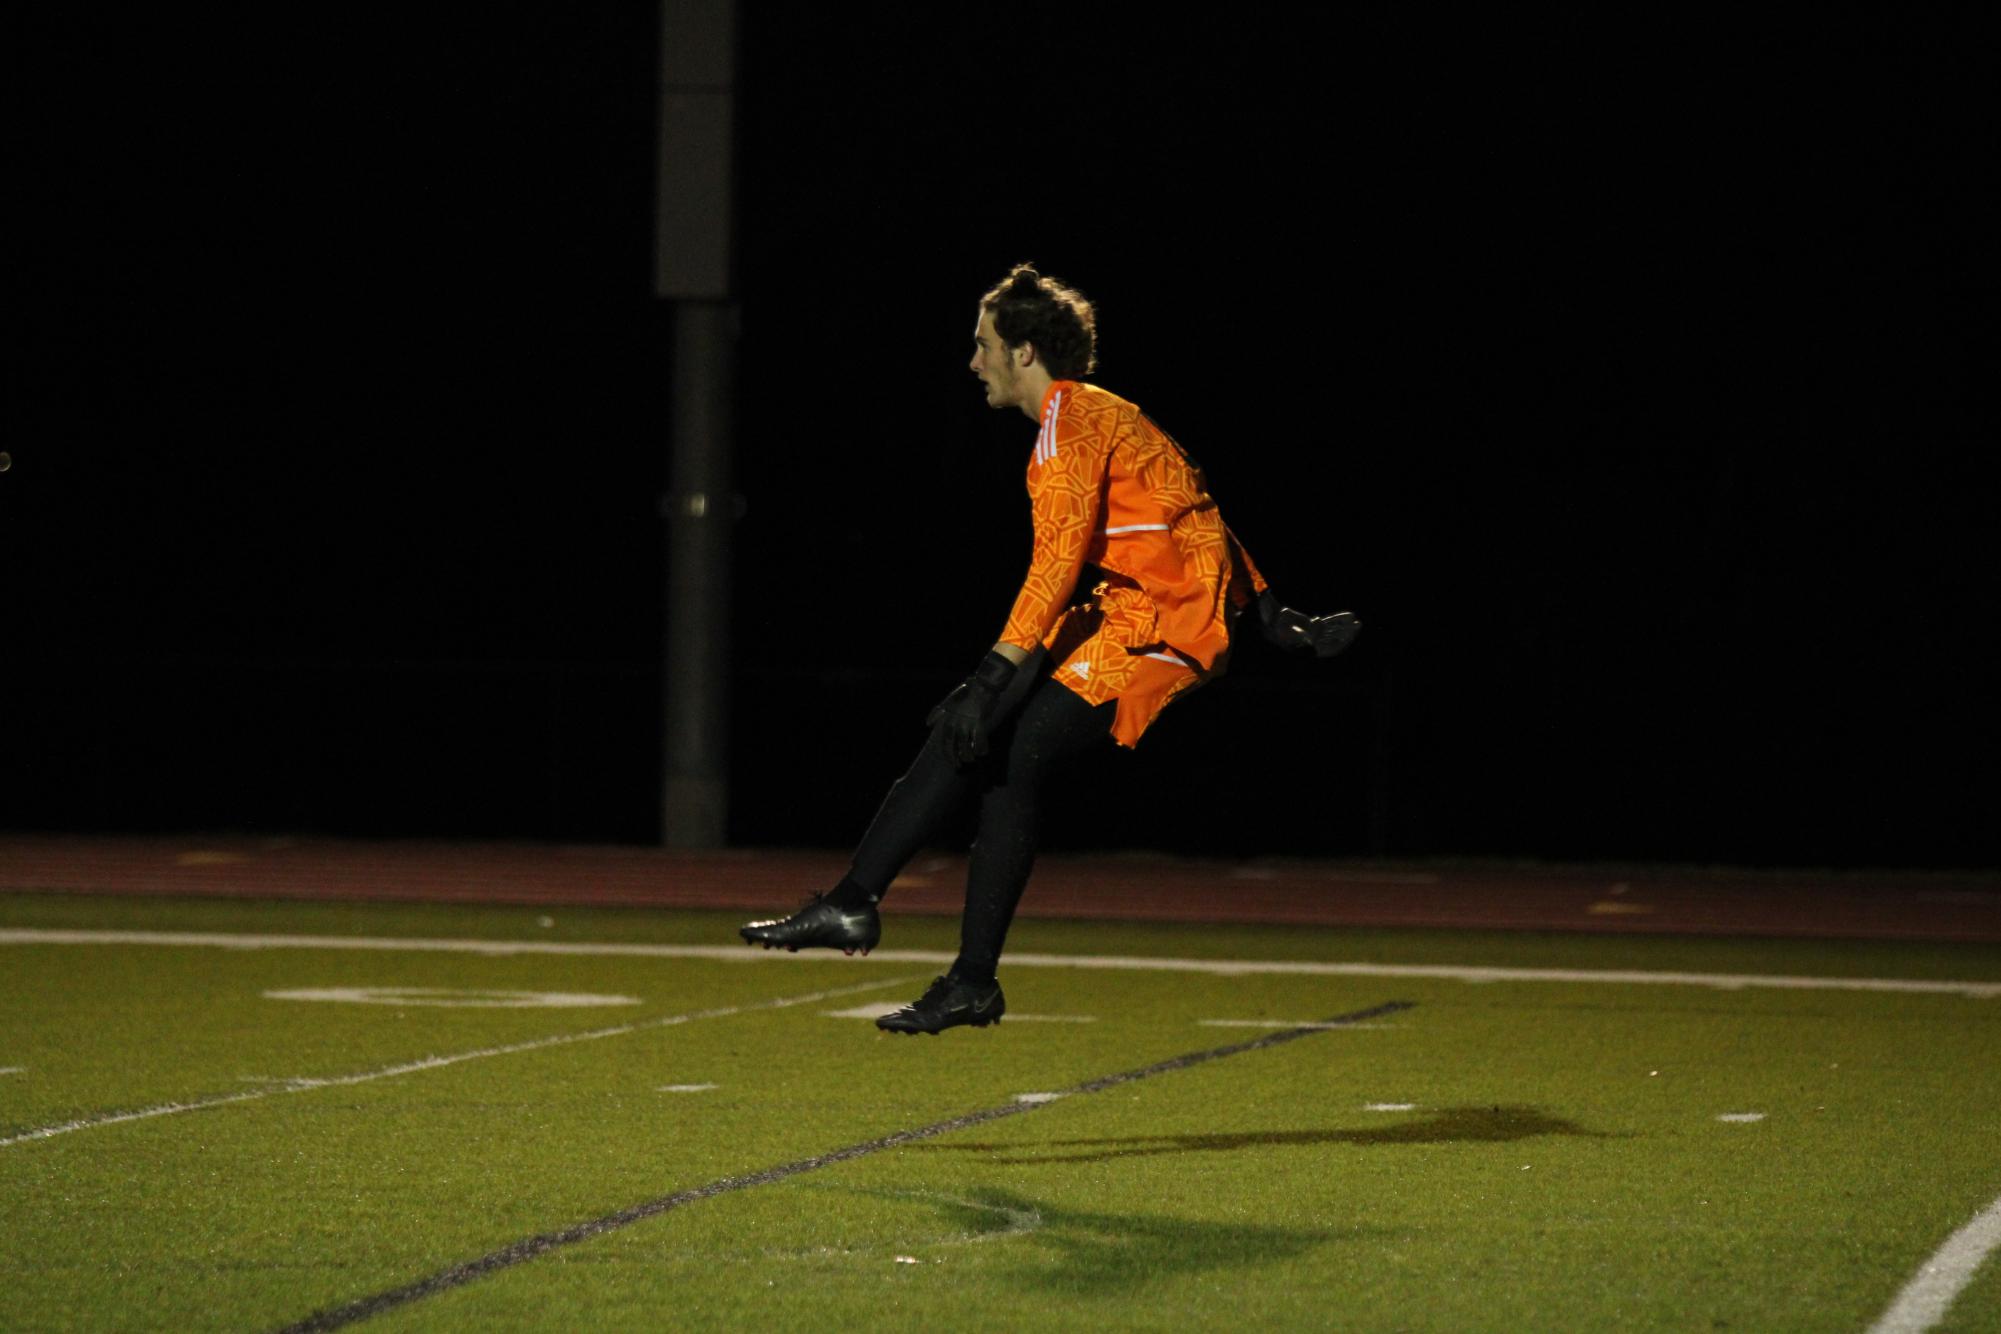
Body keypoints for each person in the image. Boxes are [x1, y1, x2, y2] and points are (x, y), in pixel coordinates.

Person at [741, 264, 1358, 1034]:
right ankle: (857, 906)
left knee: (1013, 745)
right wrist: (1270, 609)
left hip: (1166, 625)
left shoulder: (1068, 429)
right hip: (1131, 610)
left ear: (1024, 353)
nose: (973, 362)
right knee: (969, 732)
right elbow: (1192, 505)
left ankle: (940, 960)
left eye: (983, 344)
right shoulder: (1101, 411)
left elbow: (1056, 565)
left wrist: (992, 672)